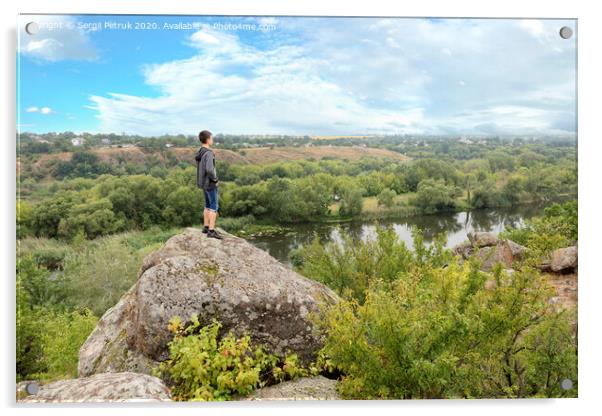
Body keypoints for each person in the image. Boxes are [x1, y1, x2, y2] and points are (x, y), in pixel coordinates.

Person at [195, 130, 222, 239]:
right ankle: (211, 231)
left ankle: (206, 227)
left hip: (203, 183)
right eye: (211, 137)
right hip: (210, 183)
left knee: (207, 205)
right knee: (214, 207)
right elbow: (210, 170)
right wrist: (215, 180)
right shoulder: (209, 153)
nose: (212, 139)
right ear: (207, 139)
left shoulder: (200, 151)